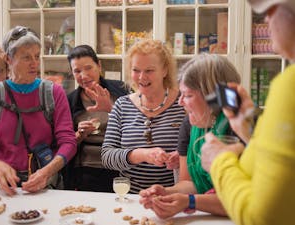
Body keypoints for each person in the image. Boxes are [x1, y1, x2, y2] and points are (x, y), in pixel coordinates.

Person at [201, 1, 295, 225]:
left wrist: (219, 161)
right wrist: (248, 129)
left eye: (271, 9)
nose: (265, 19)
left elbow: (263, 217)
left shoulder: (288, 85)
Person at [139, 54, 241, 218]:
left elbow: (243, 199)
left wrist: (190, 202)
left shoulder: (242, 126)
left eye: (188, 95)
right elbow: (190, 183)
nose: (180, 102)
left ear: (213, 96)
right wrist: (166, 192)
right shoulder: (189, 125)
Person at [0, 26, 76, 196]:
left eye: (37, 56)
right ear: (8, 59)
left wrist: (46, 172)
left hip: (45, 186)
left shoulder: (53, 93)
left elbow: (68, 142)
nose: (34, 63)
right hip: (3, 189)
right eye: (26, 57)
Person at [101, 39, 185, 194]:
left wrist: (182, 157)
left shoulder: (183, 103)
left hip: (173, 198)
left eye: (149, 70)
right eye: (136, 70)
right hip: (131, 199)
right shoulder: (122, 105)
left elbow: (200, 150)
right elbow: (107, 156)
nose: (141, 77)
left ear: (165, 70)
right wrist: (141, 154)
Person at [64, 45, 129, 192]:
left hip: (118, 161)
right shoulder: (69, 101)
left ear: (99, 66)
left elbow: (135, 128)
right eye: (77, 71)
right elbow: (65, 144)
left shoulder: (121, 90)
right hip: (86, 166)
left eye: (88, 68)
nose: (84, 75)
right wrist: (80, 134)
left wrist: (110, 108)